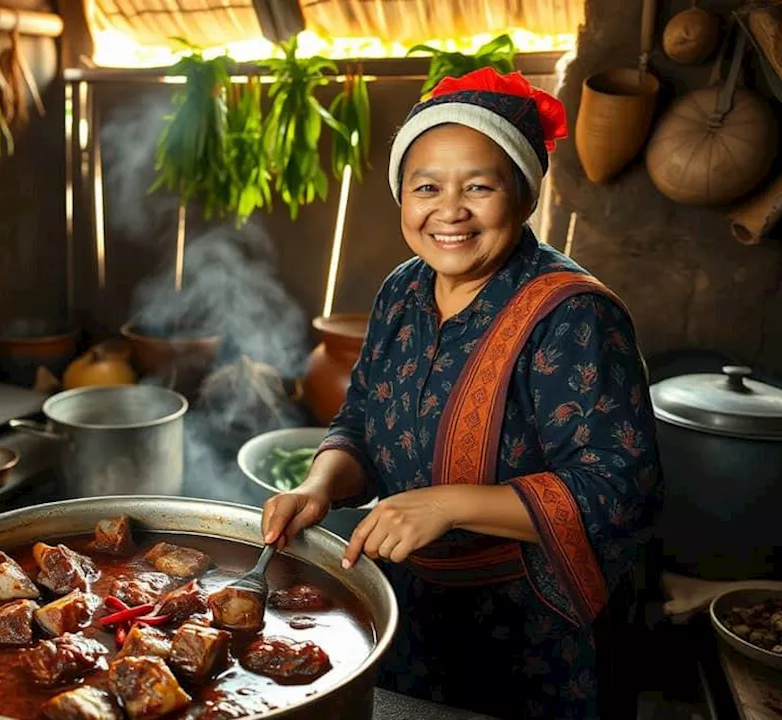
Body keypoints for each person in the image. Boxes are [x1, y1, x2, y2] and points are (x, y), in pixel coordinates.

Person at [261, 68, 662, 720]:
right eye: (426, 187)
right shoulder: (401, 290)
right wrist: (318, 486)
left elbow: (623, 490)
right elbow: (362, 414)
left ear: (525, 197)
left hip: (533, 636)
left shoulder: (573, 315)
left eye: (480, 186)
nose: (449, 210)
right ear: (401, 197)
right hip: (406, 606)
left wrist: (450, 505)